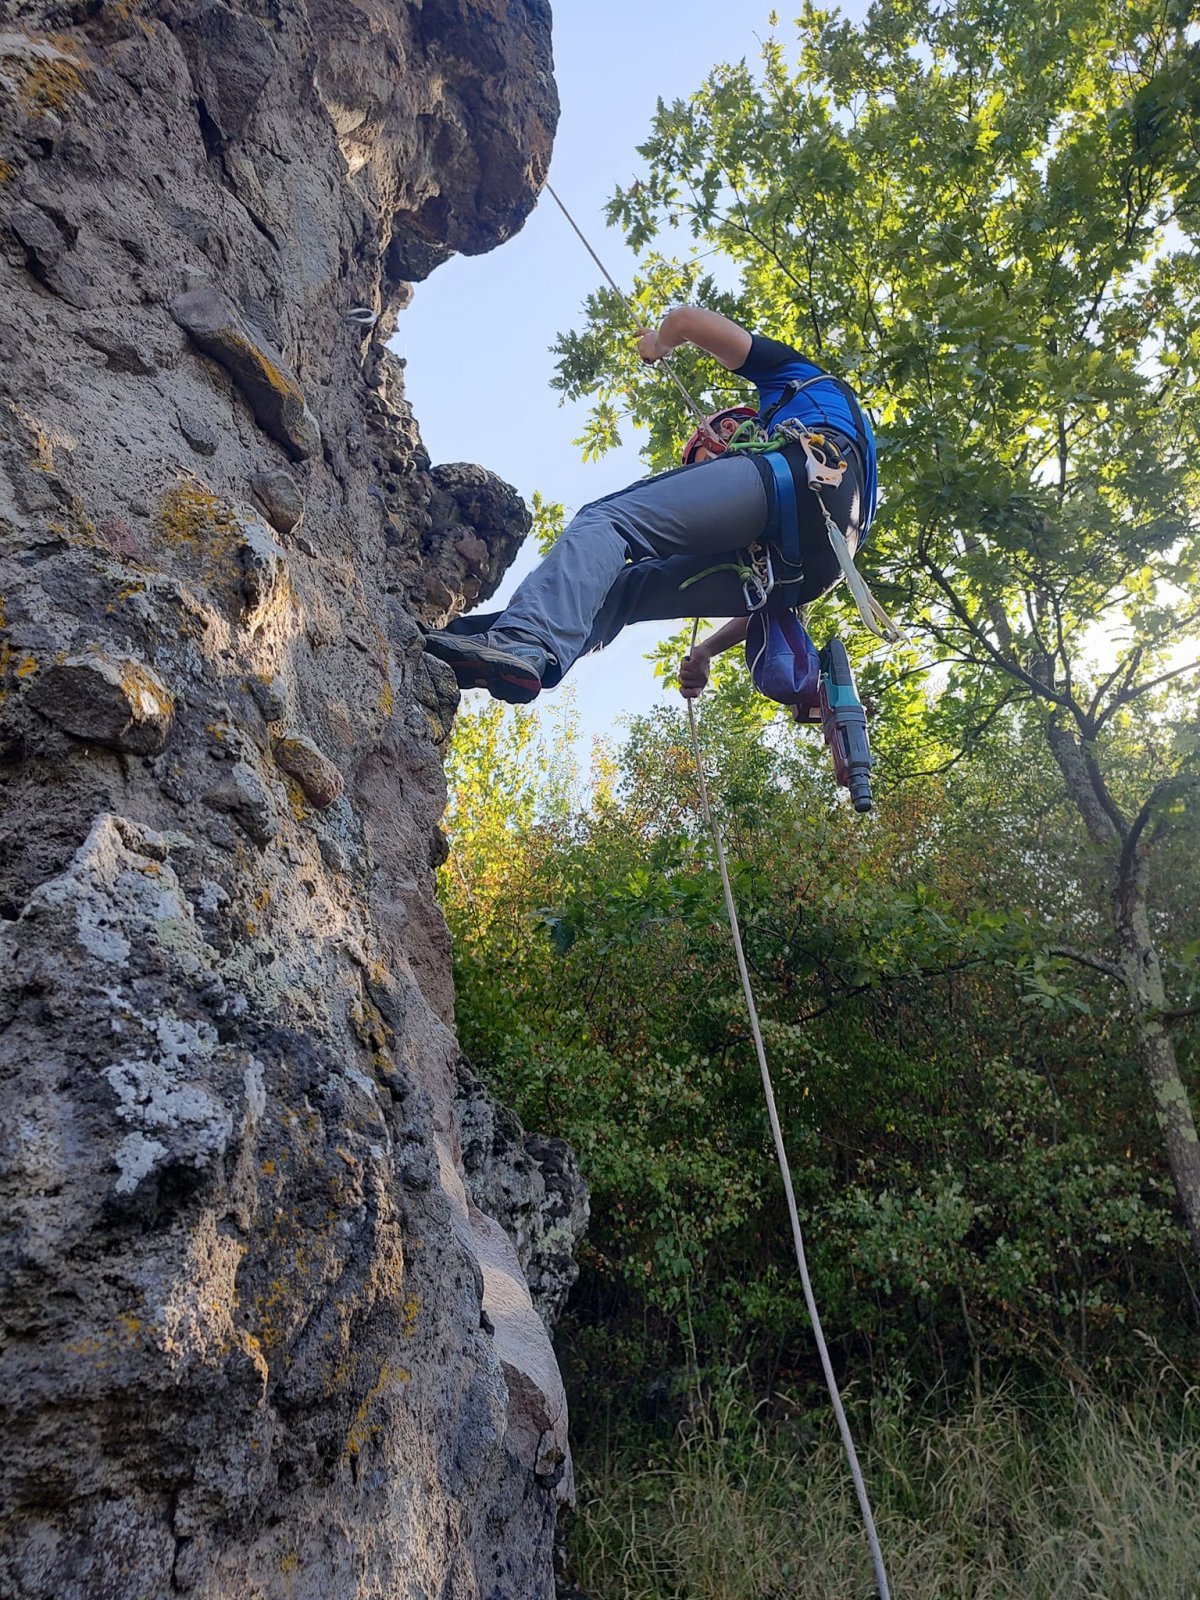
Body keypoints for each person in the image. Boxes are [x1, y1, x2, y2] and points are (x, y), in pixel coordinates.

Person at [423, 307, 878, 703]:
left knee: (609, 520)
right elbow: (760, 602)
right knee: (627, 589)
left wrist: (659, 343)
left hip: (800, 473)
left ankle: (525, 640)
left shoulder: (793, 378)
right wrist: (705, 651)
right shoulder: (840, 437)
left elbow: (686, 321)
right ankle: (483, 645)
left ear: (733, 429)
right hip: (813, 569)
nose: (706, 471)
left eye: (705, 457)